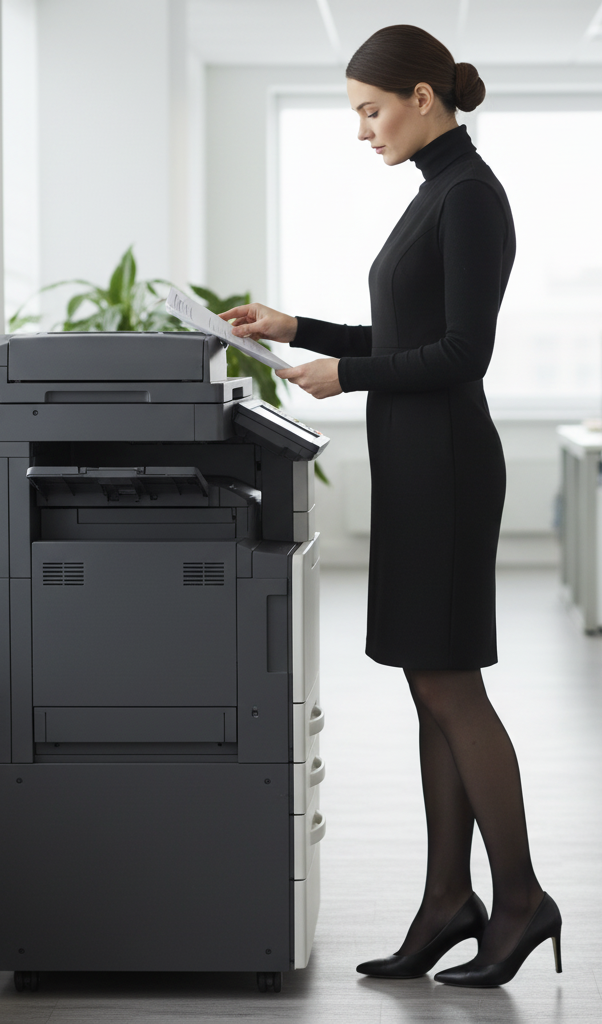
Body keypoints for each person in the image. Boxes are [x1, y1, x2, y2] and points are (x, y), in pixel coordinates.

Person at [220, 24, 561, 988]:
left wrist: (344, 376)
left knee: (452, 686)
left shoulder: (472, 196)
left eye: (371, 110)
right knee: (428, 683)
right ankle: (448, 901)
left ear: (421, 96)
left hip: (447, 466)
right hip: (417, 464)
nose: (362, 129)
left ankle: (521, 901)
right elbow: (404, 331)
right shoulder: (435, 193)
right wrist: (297, 328)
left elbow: (461, 353)